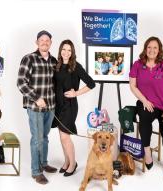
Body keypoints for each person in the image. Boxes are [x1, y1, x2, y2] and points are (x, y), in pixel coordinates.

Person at [129, 36, 163, 178]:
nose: (152, 50)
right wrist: (144, 100)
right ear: (145, 49)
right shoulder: (138, 65)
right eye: (149, 47)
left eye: (155, 47)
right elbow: (132, 85)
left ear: (159, 50)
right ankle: (147, 151)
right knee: (144, 120)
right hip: (148, 103)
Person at [17, 30, 58, 185]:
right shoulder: (29, 59)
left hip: (51, 107)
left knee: (45, 137)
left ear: (50, 43)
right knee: (37, 139)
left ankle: (44, 163)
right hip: (35, 107)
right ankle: (36, 171)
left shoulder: (54, 61)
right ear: (37, 42)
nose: (44, 42)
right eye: (42, 40)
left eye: (47, 40)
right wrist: (37, 98)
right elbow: (21, 83)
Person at [51, 39, 95, 177]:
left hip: (69, 106)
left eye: (69, 50)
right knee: (61, 136)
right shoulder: (56, 66)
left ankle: (73, 163)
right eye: (63, 49)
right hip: (58, 106)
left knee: (65, 137)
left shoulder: (75, 66)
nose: (66, 52)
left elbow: (91, 83)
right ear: (60, 51)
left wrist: (76, 93)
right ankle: (66, 161)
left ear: (72, 52)